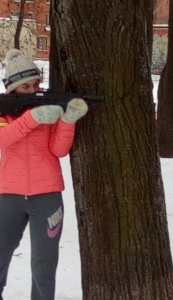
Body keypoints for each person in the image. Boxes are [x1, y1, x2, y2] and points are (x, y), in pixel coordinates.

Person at [0, 49, 88, 300]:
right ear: (12, 89)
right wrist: (33, 118)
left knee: (44, 264)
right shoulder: (4, 111)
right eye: (25, 86)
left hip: (47, 196)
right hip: (8, 196)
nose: (33, 90)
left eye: (36, 84)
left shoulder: (48, 109)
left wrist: (68, 120)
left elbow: (58, 150)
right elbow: (3, 140)